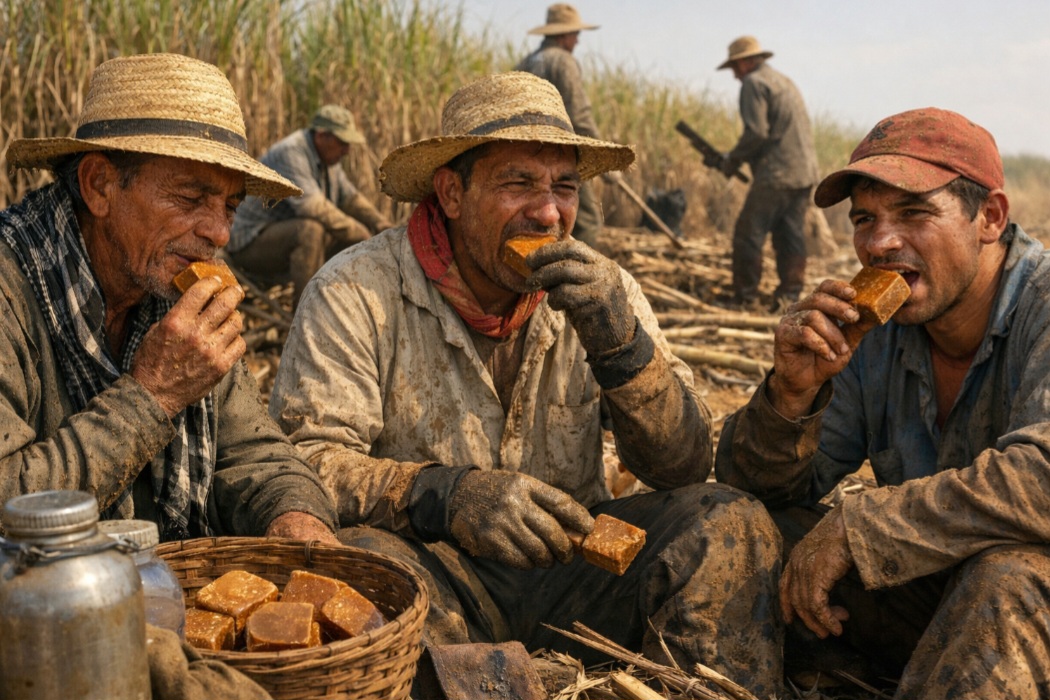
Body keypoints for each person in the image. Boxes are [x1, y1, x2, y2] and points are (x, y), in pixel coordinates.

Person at [268, 71, 784, 696]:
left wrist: (621, 346)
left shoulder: (605, 291)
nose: (548, 212)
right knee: (354, 585)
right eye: (518, 183)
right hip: (435, 573)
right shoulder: (355, 289)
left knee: (730, 523)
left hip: (577, 567)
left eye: (563, 187)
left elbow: (683, 466)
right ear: (452, 194)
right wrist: (447, 495)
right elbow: (303, 462)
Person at [715, 107, 1050, 698]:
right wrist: (792, 394)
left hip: (1023, 597)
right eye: (864, 219)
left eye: (914, 213)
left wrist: (865, 524)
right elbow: (757, 490)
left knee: (1006, 578)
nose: (879, 243)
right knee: (745, 530)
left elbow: (1041, 481)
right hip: (944, 592)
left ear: (990, 217)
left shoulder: (1042, 304)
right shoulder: (877, 329)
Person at [0, 53, 338, 545]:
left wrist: (297, 518)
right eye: (189, 198)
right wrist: (153, 395)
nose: (219, 233)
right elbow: (10, 503)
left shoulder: (174, 287)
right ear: (100, 186)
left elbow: (256, 454)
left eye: (229, 206)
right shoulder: (12, 289)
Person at [228, 104, 393, 307]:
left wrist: (381, 225)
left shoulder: (329, 160)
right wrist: (362, 234)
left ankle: (340, 307)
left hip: (279, 236)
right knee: (311, 231)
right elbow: (312, 207)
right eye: (342, 142)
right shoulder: (291, 152)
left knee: (344, 236)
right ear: (322, 136)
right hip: (249, 242)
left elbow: (350, 198)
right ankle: (305, 315)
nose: (347, 150)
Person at [717, 36, 819, 311]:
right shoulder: (783, 81)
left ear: (746, 62)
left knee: (748, 234)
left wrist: (732, 160)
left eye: (735, 68)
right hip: (804, 172)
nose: (736, 76)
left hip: (778, 173)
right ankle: (790, 295)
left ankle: (744, 298)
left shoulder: (754, 83)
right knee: (790, 234)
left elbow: (757, 133)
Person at [517, 4, 605, 247]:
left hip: (520, 151)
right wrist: (600, 154)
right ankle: (576, 277)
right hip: (557, 152)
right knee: (587, 219)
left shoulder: (526, 62)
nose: (577, 41)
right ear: (563, 34)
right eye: (575, 34)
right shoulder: (564, 62)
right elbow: (580, 115)